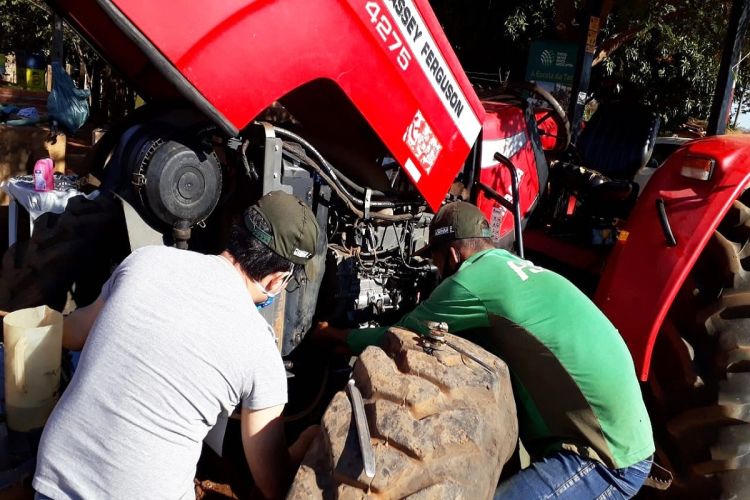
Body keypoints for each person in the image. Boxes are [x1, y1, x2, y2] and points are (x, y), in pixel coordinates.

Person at [315, 201, 654, 499]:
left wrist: (335, 336)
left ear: (451, 256)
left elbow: (399, 335)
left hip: (607, 459)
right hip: (619, 431)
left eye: (435, 263)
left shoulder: (468, 282)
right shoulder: (509, 267)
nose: (436, 272)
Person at [33, 191, 321, 499]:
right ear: (277, 280)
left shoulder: (145, 260)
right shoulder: (260, 349)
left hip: (55, 479)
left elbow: (74, 332)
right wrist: (308, 441)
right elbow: (274, 483)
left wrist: (23, 324)